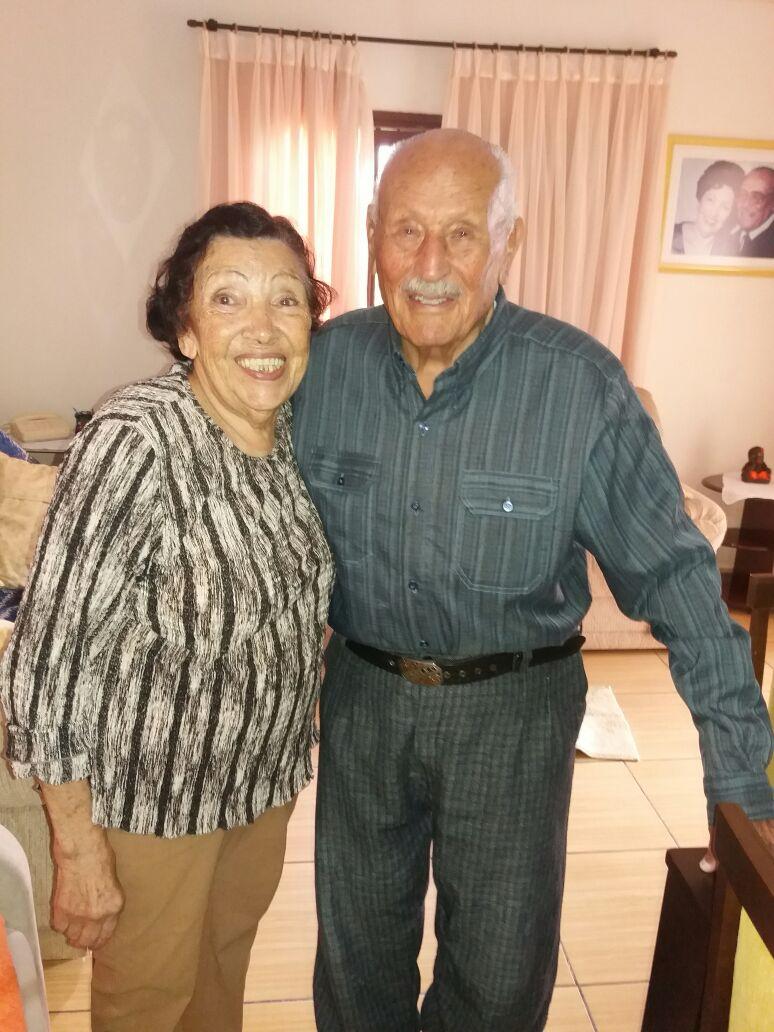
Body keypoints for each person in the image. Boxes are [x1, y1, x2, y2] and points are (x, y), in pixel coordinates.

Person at [291, 129, 774, 1032]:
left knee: (499, 981)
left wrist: (739, 781)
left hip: (513, 717)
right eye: (406, 231)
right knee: (355, 973)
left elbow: (677, 579)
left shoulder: (578, 387)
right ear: (371, 234)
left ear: (508, 243)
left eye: (461, 234)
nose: (429, 265)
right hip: (362, 704)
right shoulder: (321, 370)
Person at [0, 201, 334, 1032]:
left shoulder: (290, 433)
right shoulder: (136, 440)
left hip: (261, 790)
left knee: (220, 981)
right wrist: (77, 848)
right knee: (147, 1006)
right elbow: (48, 661)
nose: (262, 327)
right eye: (228, 298)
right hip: (155, 811)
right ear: (185, 330)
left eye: (286, 299)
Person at [671, 159, 743, 255]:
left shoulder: (731, 250)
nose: (714, 213)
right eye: (710, 200)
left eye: (725, 207)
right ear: (700, 199)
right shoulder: (669, 234)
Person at [717, 165, 774, 258]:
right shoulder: (725, 234)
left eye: (756, 198)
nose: (745, 204)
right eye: (742, 194)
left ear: (772, 203)